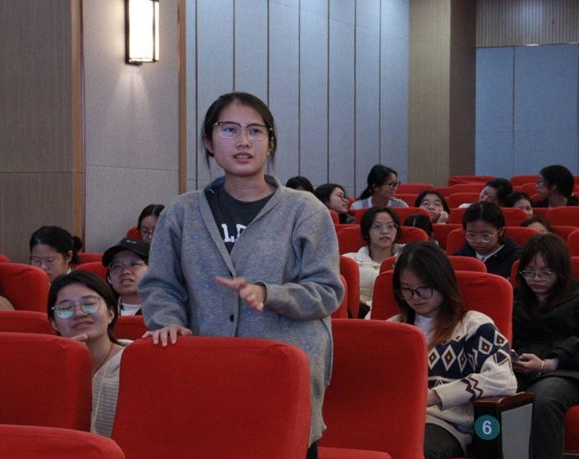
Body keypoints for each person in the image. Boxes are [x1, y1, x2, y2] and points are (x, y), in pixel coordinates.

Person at [138, 92, 344, 458]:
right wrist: (167, 321)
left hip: (283, 372)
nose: (243, 141)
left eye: (255, 131)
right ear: (208, 141)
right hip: (208, 371)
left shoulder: (304, 210)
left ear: (270, 142)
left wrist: (269, 294)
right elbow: (161, 284)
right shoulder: (182, 212)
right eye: (229, 130)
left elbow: (326, 291)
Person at [390, 242, 516, 459]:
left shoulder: (474, 325)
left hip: (445, 423)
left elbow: (503, 379)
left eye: (424, 288)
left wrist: (437, 396)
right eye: (407, 289)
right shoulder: (393, 328)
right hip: (394, 418)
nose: (415, 296)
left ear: (443, 283)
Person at [512, 234, 579, 459]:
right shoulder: (515, 298)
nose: (536, 279)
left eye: (545, 273)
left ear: (561, 271)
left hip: (570, 371)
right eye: (529, 272)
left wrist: (547, 365)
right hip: (521, 369)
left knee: (544, 398)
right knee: (493, 392)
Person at [47, 271, 126, 438]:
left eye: (89, 304)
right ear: (54, 323)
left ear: (111, 313)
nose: (79, 313)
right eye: (65, 308)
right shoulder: (44, 369)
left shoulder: (134, 362)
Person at [343, 207, 404, 308]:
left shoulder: (406, 261)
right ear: (366, 231)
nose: (385, 231)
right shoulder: (349, 260)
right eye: (377, 226)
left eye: (390, 226)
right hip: (354, 310)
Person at [452, 202, 521, 279]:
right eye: (471, 235)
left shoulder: (515, 258)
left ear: (500, 232)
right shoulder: (460, 257)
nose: (478, 241)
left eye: (485, 235)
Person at [102, 238, 150, 316]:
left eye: (134, 264)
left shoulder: (166, 310)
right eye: (117, 266)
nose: (125, 271)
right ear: (109, 278)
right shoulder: (100, 312)